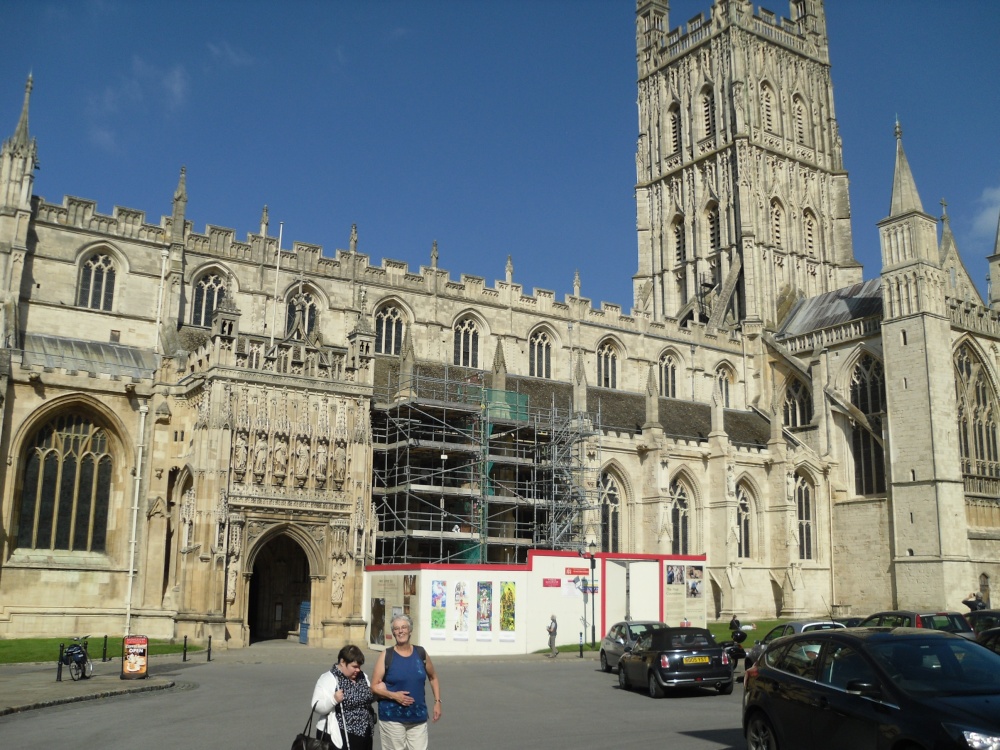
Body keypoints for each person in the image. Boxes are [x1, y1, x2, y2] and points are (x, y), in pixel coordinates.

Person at [371, 614, 441, 750]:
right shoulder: (386, 655)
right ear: (393, 632)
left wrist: (437, 702)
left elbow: (433, 678)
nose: (400, 631)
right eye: (396, 629)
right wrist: (394, 696)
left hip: (418, 718)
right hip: (392, 718)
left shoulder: (421, 653)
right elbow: (374, 687)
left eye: (404, 627)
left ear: (410, 630)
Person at [310, 644, 376, 750]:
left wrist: (376, 694)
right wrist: (333, 700)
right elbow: (316, 705)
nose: (358, 670)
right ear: (342, 662)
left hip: (365, 735)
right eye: (354, 667)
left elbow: (367, 699)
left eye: (359, 666)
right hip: (339, 736)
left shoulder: (362, 677)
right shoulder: (328, 678)